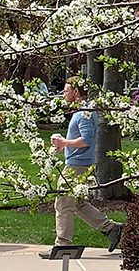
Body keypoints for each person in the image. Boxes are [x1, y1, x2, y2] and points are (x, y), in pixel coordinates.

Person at [46, 77, 123, 253]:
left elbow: (86, 140)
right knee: (78, 203)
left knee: (63, 203)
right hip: (81, 163)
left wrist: (65, 142)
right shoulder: (84, 111)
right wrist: (64, 145)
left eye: (66, 91)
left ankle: (62, 245)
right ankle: (111, 228)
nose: (63, 94)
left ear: (76, 91)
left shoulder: (84, 113)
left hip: (77, 166)